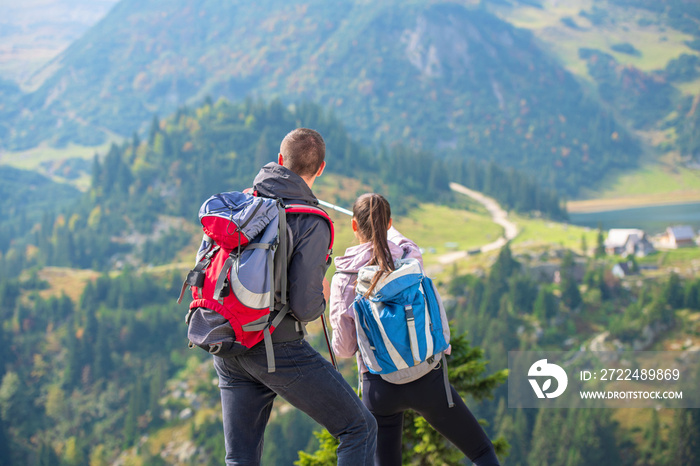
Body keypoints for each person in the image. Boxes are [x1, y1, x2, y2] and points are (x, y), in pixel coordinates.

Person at [213, 128, 377, 465]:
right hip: (275, 349)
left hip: (226, 341)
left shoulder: (245, 202)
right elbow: (304, 308)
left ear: (279, 161)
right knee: (358, 428)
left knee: (240, 457)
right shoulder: (310, 221)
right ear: (321, 169)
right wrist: (323, 298)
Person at [329, 193, 501, 466]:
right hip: (428, 379)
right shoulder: (410, 259)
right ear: (389, 224)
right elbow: (400, 242)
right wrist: (389, 229)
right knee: (482, 452)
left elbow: (345, 349)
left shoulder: (344, 279)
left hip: (378, 387)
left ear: (353, 226)